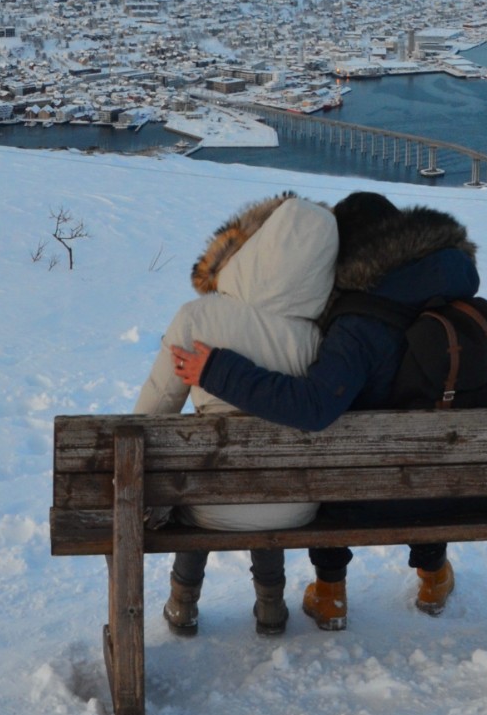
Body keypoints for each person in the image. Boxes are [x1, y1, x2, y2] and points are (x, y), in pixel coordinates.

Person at [170, 191, 483, 630]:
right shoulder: (451, 287)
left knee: (332, 457)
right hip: (453, 482)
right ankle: (433, 576)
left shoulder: (357, 323)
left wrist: (219, 371)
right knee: (423, 437)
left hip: (367, 491)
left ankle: (331, 594)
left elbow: (314, 406)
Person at [135, 192, 338, 638]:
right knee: (271, 479)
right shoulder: (319, 339)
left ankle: (183, 601)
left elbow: (154, 412)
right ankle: (270, 605)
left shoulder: (198, 317)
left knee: (192, 486)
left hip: (213, 502)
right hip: (296, 505)